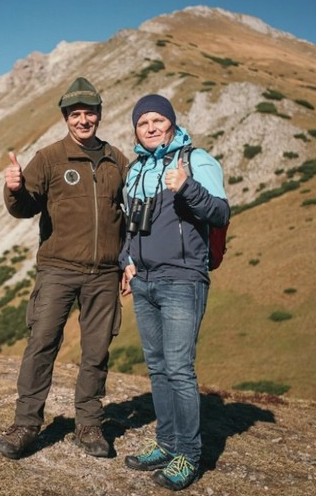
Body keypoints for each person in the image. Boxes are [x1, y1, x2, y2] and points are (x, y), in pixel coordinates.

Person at [0, 77, 129, 460]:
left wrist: (130, 261)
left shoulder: (116, 159)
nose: (83, 120)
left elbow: (131, 214)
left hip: (105, 273)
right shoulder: (50, 157)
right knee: (42, 344)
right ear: (66, 118)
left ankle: (88, 425)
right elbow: (24, 207)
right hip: (57, 269)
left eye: (89, 113)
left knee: (96, 350)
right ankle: (26, 424)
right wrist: (15, 188)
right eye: (76, 114)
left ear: (99, 115)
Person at [119, 94, 230, 491]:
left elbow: (220, 212)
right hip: (144, 281)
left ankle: (188, 453)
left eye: (157, 120)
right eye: (142, 122)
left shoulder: (194, 160)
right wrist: (125, 260)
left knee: (180, 369)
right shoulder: (135, 170)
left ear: (171, 122)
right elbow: (129, 226)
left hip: (183, 279)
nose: (150, 127)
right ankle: (165, 443)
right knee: (158, 367)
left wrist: (186, 188)